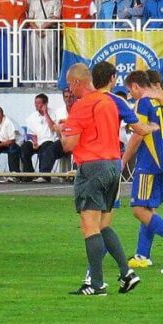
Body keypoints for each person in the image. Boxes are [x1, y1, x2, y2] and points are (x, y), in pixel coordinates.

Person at [58, 61, 138, 296]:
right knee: (103, 225)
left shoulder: (82, 106)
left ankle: (96, 284)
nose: (69, 91)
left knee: (89, 226)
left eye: (69, 86)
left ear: (76, 82)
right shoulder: (109, 102)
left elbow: (69, 144)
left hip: (93, 167)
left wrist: (64, 133)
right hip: (114, 163)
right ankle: (127, 273)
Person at [122, 71, 163, 270]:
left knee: (139, 209)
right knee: (149, 209)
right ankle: (143, 255)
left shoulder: (143, 102)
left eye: (129, 90)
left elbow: (139, 134)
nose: (130, 94)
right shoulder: (162, 101)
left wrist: (123, 160)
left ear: (135, 86)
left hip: (149, 163)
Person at [22, 93, 65, 177]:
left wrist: (46, 113)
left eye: (38, 103)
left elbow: (53, 128)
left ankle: (43, 175)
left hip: (49, 140)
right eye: (35, 103)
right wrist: (34, 142)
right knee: (24, 148)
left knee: (45, 148)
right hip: (37, 141)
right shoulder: (32, 116)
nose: (36, 105)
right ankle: (29, 174)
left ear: (45, 104)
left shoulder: (54, 113)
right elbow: (31, 132)